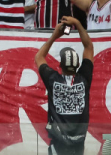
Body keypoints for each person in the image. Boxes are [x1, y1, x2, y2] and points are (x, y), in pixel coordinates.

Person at [35, 16, 94, 155]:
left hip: (58, 142)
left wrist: (55, 35)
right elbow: (89, 47)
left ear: (59, 65)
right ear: (79, 65)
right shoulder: (84, 78)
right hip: (79, 142)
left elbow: (39, 57)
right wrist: (78, 24)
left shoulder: (52, 79)